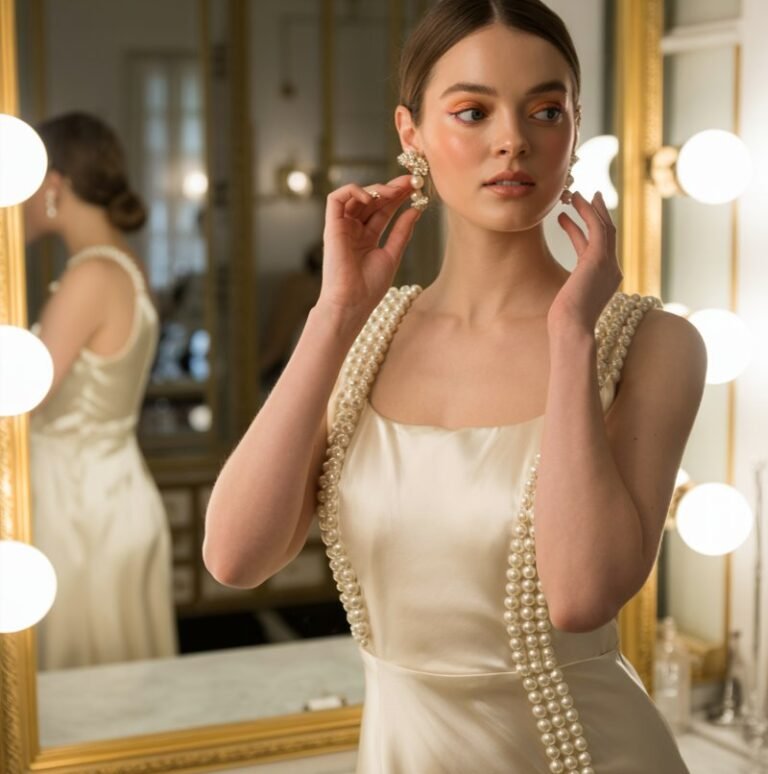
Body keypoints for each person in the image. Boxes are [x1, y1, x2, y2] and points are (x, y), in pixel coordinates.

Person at [203, 1, 706, 770]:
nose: (514, 140)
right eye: (473, 111)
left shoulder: (653, 344)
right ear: (411, 135)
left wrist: (571, 340)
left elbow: (580, 596)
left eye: (547, 109)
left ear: (573, 130)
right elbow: (235, 557)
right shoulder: (362, 337)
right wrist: (335, 313)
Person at [24, 111, 177, 670]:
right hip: (111, 492)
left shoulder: (92, 277)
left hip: (79, 505)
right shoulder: (125, 266)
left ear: (53, 184)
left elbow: (24, 395)